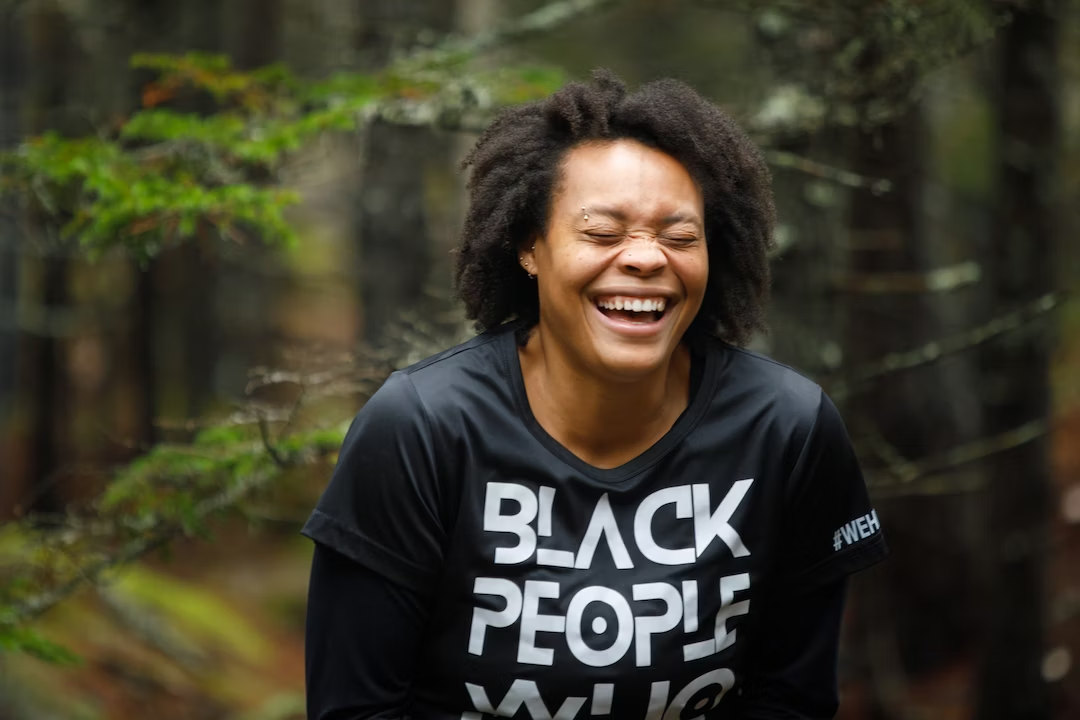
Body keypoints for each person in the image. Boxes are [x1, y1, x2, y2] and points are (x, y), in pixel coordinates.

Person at [302, 69, 887, 720]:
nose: (645, 258)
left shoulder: (786, 429)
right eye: (603, 233)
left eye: (680, 236)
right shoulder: (421, 428)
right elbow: (356, 709)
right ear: (530, 246)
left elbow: (792, 700)